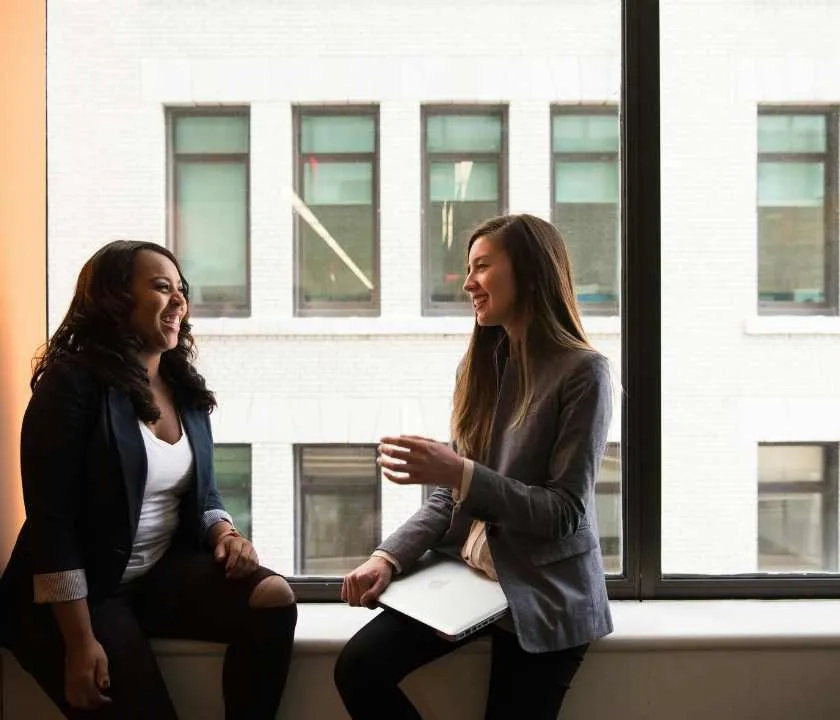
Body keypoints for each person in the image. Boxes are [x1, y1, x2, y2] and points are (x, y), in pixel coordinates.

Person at [0, 241, 296, 720]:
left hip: (154, 575)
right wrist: (79, 643)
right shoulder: (71, 384)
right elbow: (51, 526)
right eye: (162, 288)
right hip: (82, 595)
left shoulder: (184, 387)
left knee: (273, 598)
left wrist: (225, 531)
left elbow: (203, 492)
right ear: (115, 299)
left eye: (182, 289)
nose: (180, 301)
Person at [334, 214, 613, 720]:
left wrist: (459, 473)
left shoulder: (583, 372)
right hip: (471, 577)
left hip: (544, 592)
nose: (467, 283)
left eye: (482, 267)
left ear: (529, 272)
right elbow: (450, 497)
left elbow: (564, 512)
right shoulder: (480, 366)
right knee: (357, 667)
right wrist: (387, 558)